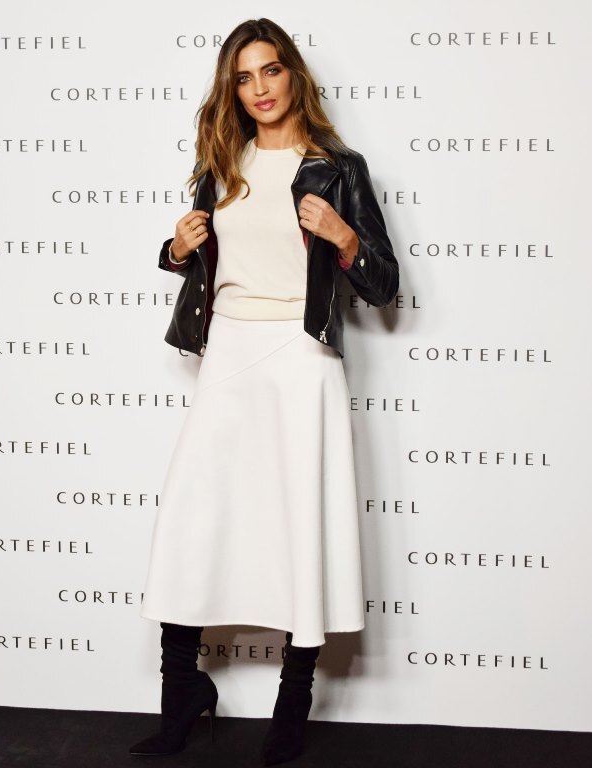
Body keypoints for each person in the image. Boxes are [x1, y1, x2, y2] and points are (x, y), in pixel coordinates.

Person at [130, 17, 399, 767]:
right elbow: (199, 260)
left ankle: (292, 705)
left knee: (297, 525)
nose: (259, 89)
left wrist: (343, 237)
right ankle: (182, 694)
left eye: (270, 71)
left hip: (301, 356)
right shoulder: (220, 163)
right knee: (193, 522)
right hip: (228, 352)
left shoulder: (337, 167)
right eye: (244, 77)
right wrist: (176, 249)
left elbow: (383, 285)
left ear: (293, 75)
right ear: (233, 88)